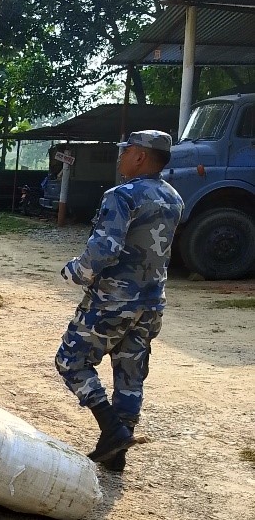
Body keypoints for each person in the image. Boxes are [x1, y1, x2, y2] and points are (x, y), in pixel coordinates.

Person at [55, 130, 183, 471]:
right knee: (130, 374)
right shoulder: (174, 198)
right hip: (151, 303)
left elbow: (104, 250)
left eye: (126, 150)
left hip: (112, 301)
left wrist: (76, 272)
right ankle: (116, 455)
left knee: (71, 361)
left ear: (140, 156)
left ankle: (112, 430)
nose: (120, 156)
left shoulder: (121, 196)